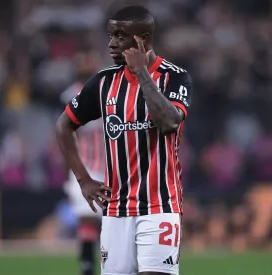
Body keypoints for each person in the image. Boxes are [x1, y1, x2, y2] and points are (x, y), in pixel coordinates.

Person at [55, 5, 192, 275]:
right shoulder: (103, 82)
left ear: (142, 39)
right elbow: (63, 126)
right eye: (110, 35)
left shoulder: (174, 77)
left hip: (160, 205)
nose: (111, 44)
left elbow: (169, 123)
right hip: (116, 210)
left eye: (119, 36)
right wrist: (83, 179)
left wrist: (142, 73)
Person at [60, 49, 105, 275]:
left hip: (110, 168)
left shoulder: (109, 91)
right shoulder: (70, 95)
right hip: (84, 165)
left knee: (112, 221)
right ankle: (87, 268)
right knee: (86, 218)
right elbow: (64, 134)